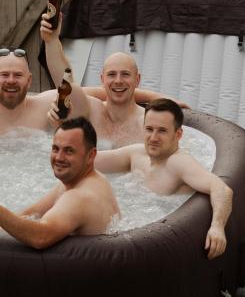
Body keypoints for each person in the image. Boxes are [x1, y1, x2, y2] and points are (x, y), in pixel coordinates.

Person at [94, 98, 233, 259]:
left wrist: (217, 227)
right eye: (149, 129)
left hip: (151, 244)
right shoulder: (136, 154)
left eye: (162, 131)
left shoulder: (178, 163)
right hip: (127, 229)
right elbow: (89, 161)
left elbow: (222, 189)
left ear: (178, 134)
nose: (153, 137)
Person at [0, 117, 120, 249]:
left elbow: (40, 237)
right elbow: (32, 213)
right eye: (55, 149)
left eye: (69, 151)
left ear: (91, 156)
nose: (59, 157)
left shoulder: (79, 197)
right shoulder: (87, 180)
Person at [42, 13, 188, 148]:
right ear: (102, 80)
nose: (118, 81)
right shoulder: (92, 111)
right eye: (111, 74)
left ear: (137, 80)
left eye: (125, 74)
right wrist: (52, 40)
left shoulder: (148, 123)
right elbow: (66, 83)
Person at [0, 31, 93, 136]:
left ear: (29, 80)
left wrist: (52, 40)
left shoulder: (44, 106)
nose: (11, 80)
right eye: (4, 75)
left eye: (18, 75)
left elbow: (78, 99)